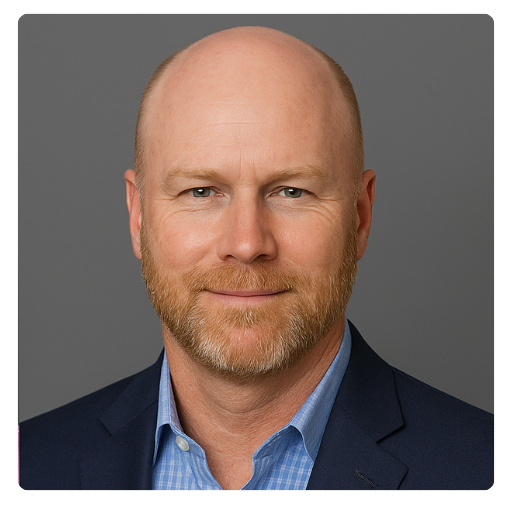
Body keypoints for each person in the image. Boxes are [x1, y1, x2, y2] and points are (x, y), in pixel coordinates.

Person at [19, 26, 494, 491]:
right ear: (139, 216)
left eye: (292, 191)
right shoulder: (31, 464)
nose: (247, 244)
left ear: (360, 216)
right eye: (201, 191)